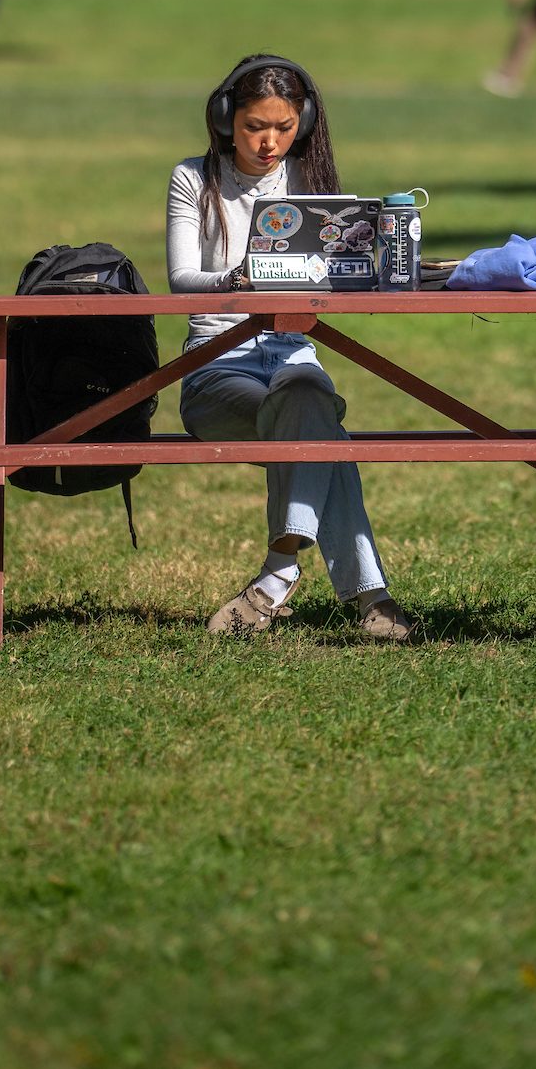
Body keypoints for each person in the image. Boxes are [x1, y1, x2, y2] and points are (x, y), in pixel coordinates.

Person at [166, 53, 419, 642]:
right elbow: (182, 279)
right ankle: (372, 599)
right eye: (256, 126)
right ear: (226, 118)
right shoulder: (191, 177)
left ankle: (278, 574)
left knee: (308, 391)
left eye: (284, 128)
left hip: (291, 355)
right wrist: (240, 281)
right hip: (216, 361)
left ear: (301, 125)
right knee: (325, 437)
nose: (269, 142)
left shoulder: (311, 182)